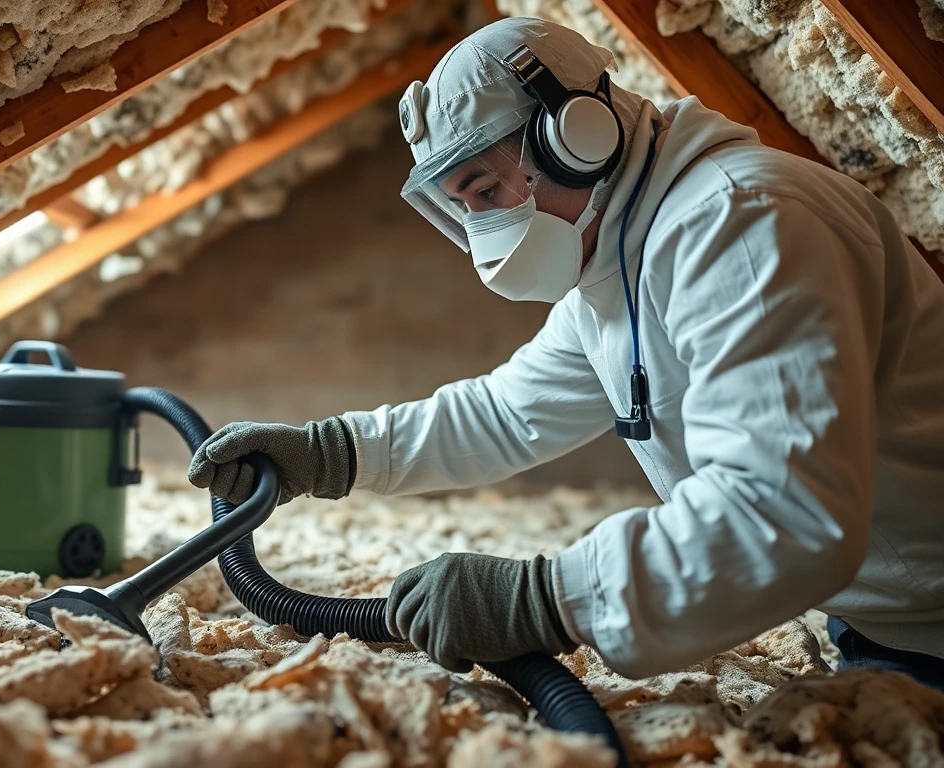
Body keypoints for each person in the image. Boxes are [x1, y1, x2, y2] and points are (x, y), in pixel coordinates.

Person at [187, 17, 944, 689]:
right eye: (463, 206)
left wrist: (546, 599)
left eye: (484, 191)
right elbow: (507, 414)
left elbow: (784, 513)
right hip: (880, 614)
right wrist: (329, 454)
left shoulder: (739, 226)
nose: (482, 226)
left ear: (578, 134)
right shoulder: (620, 255)